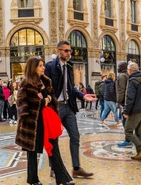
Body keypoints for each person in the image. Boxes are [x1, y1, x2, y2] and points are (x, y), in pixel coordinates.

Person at [16, 56, 74, 185]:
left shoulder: (46, 81)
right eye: (40, 65)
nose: (43, 68)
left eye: (43, 65)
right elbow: (21, 104)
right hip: (33, 123)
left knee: (53, 148)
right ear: (33, 68)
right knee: (32, 152)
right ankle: (33, 180)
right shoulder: (26, 83)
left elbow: (52, 99)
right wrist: (42, 101)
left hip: (46, 120)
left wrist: (47, 100)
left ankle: (63, 179)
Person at [45, 41, 95, 179]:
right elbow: (45, 87)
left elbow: (71, 87)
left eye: (70, 51)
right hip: (56, 107)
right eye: (66, 51)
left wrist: (83, 96)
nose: (69, 53)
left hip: (69, 106)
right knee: (53, 139)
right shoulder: (50, 67)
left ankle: (76, 168)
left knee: (75, 136)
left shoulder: (69, 66)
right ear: (58, 51)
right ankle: (54, 168)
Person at [123, 62, 141, 161]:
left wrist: (126, 111)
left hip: (135, 110)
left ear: (130, 70)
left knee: (128, 131)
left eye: (128, 70)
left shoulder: (133, 81)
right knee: (139, 132)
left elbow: (130, 98)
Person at [116, 62, 131, 147]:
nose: (117, 68)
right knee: (127, 121)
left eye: (119, 66)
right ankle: (129, 139)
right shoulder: (127, 75)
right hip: (128, 101)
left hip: (124, 102)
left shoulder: (121, 76)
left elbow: (121, 90)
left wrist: (118, 101)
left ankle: (128, 140)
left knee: (125, 122)